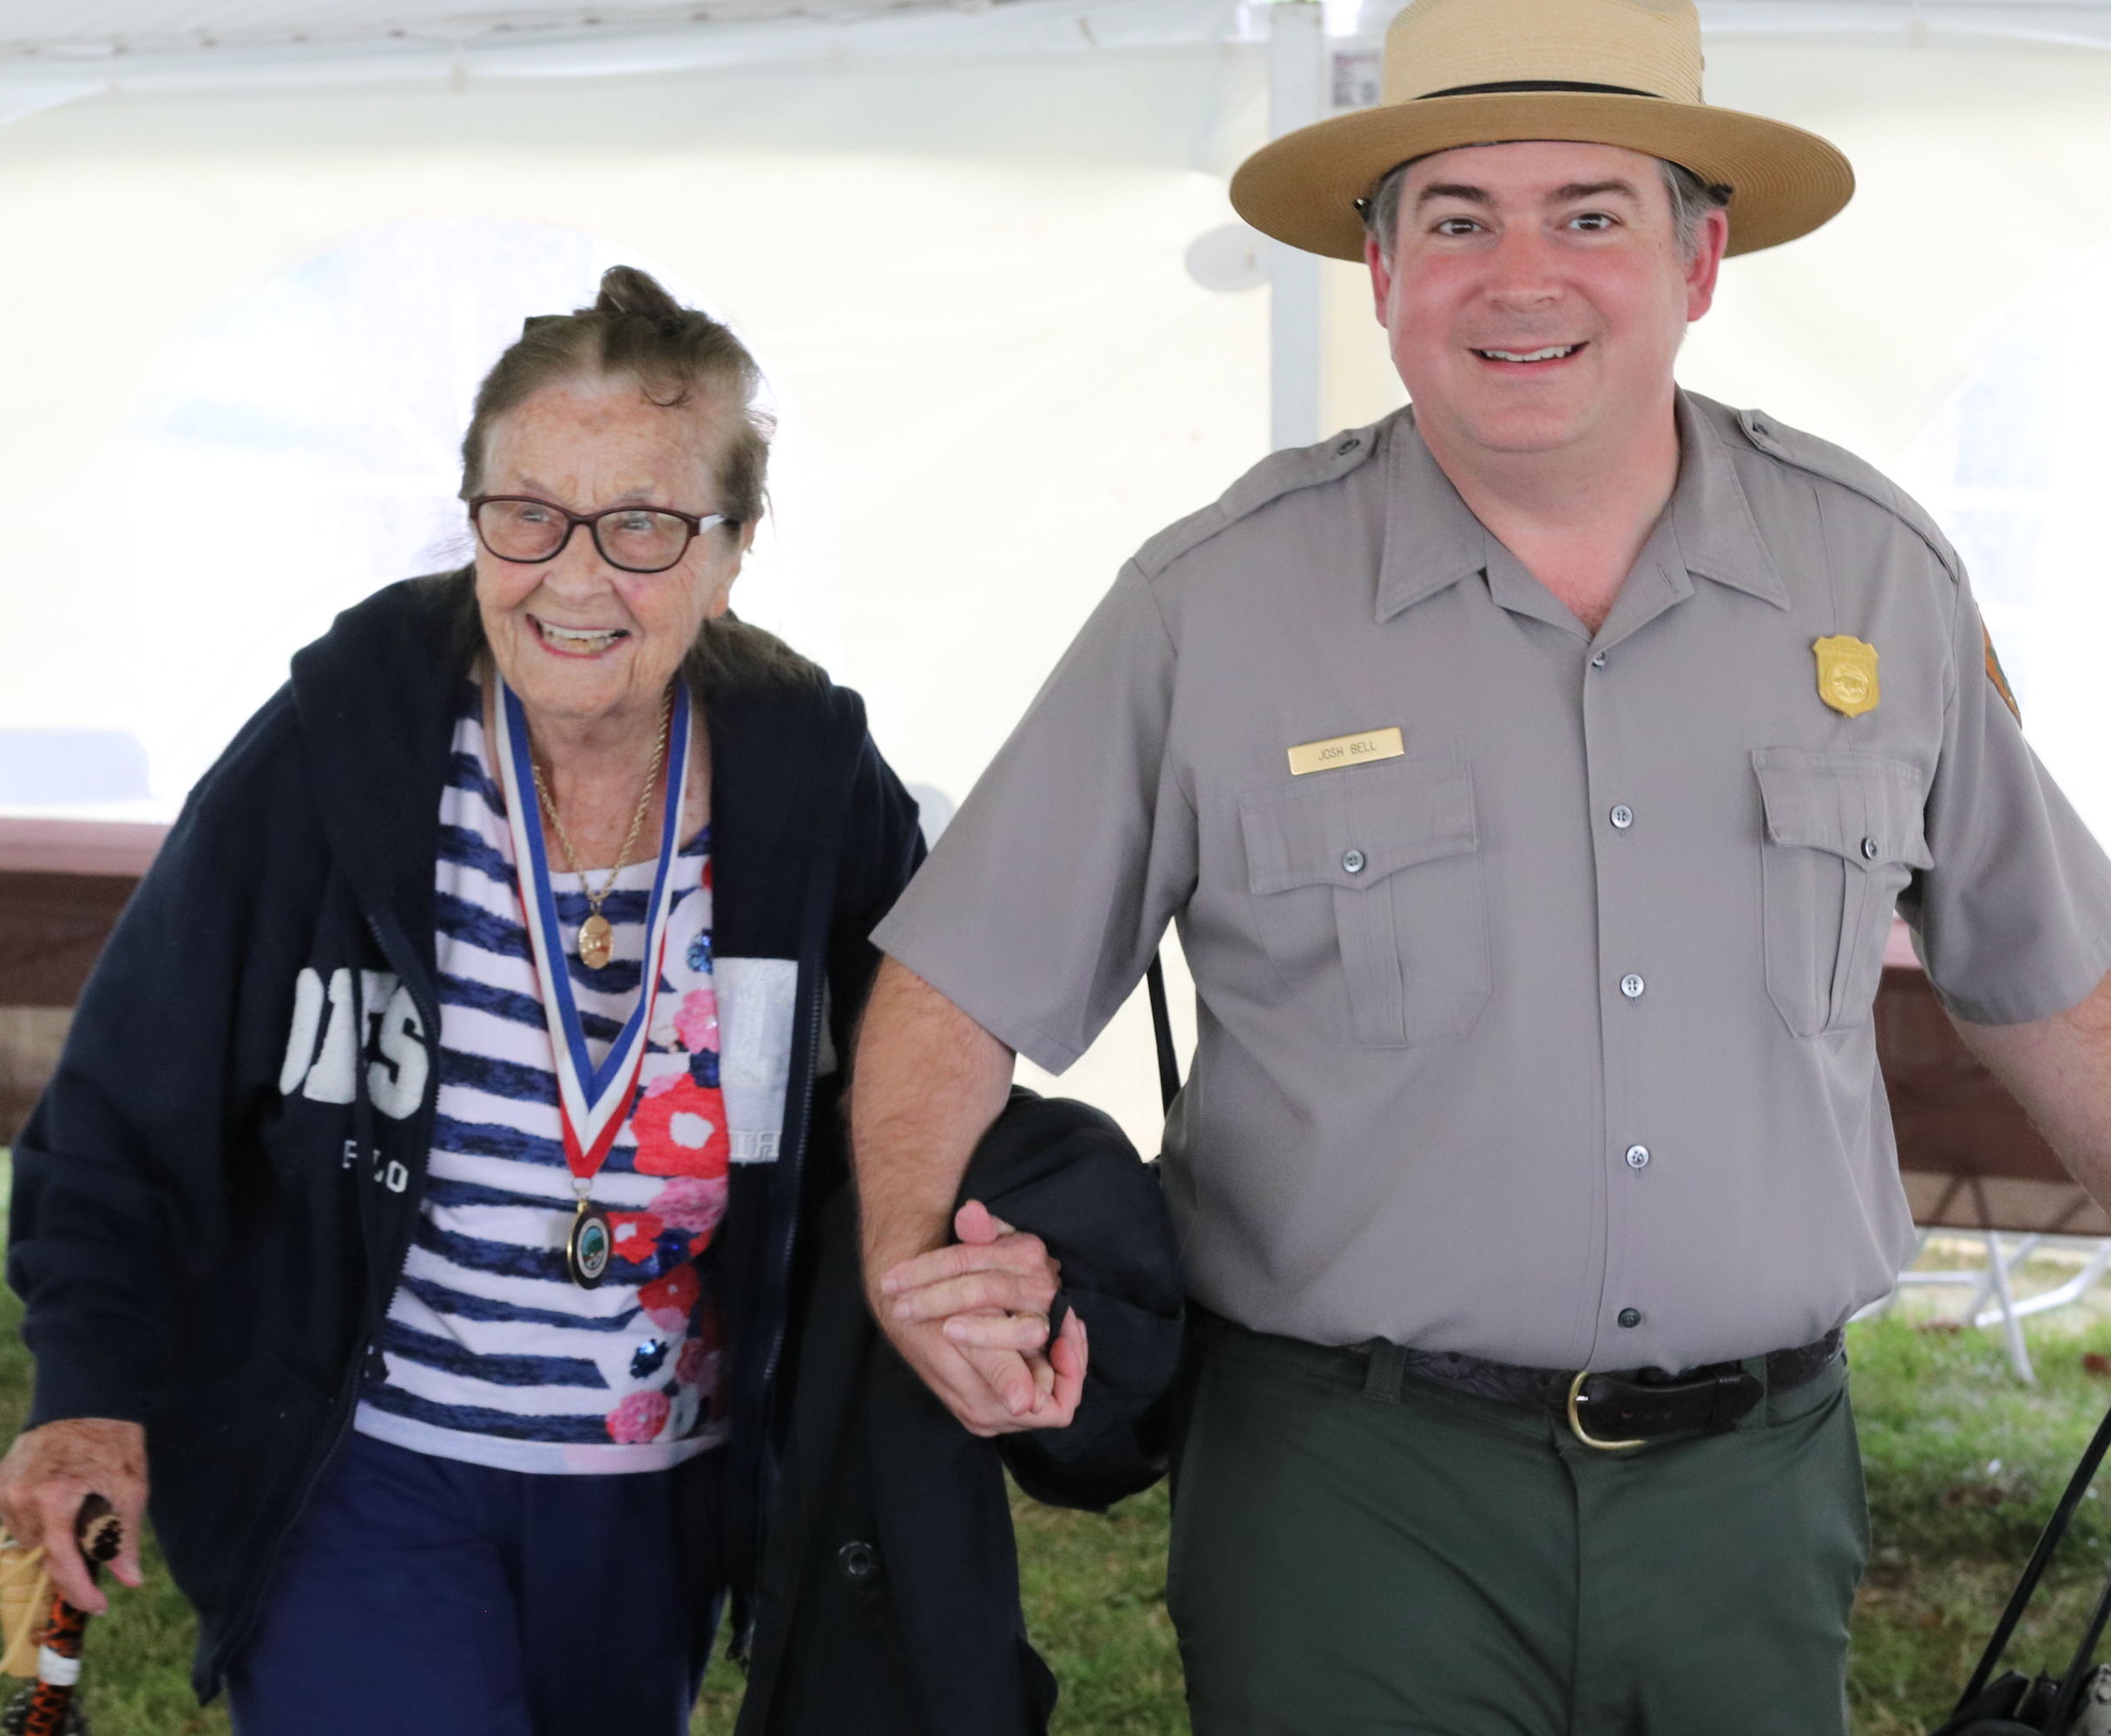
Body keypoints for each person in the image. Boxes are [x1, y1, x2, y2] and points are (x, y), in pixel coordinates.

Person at [851, 0, 2111, 1728]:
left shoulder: (1875, 575)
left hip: (1751, 1502)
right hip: (1354, 1505)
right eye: (1456, 220)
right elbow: (953, 979)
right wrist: (918, 1263)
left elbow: (2057, 983)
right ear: (1380, 274)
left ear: (1702, 258)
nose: (1521, 277)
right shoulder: (1213, 604)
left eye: (1591, 212)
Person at [0, 266, 925, 1734]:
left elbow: (913, 1096)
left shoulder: (815, 789)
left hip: (658, 1494)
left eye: (646, 526)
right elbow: (126, 1099)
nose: (573, 575)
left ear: (734, 550)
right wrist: (86, 1387)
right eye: (527, 512)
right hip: (365, 1470)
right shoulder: (334, 750)